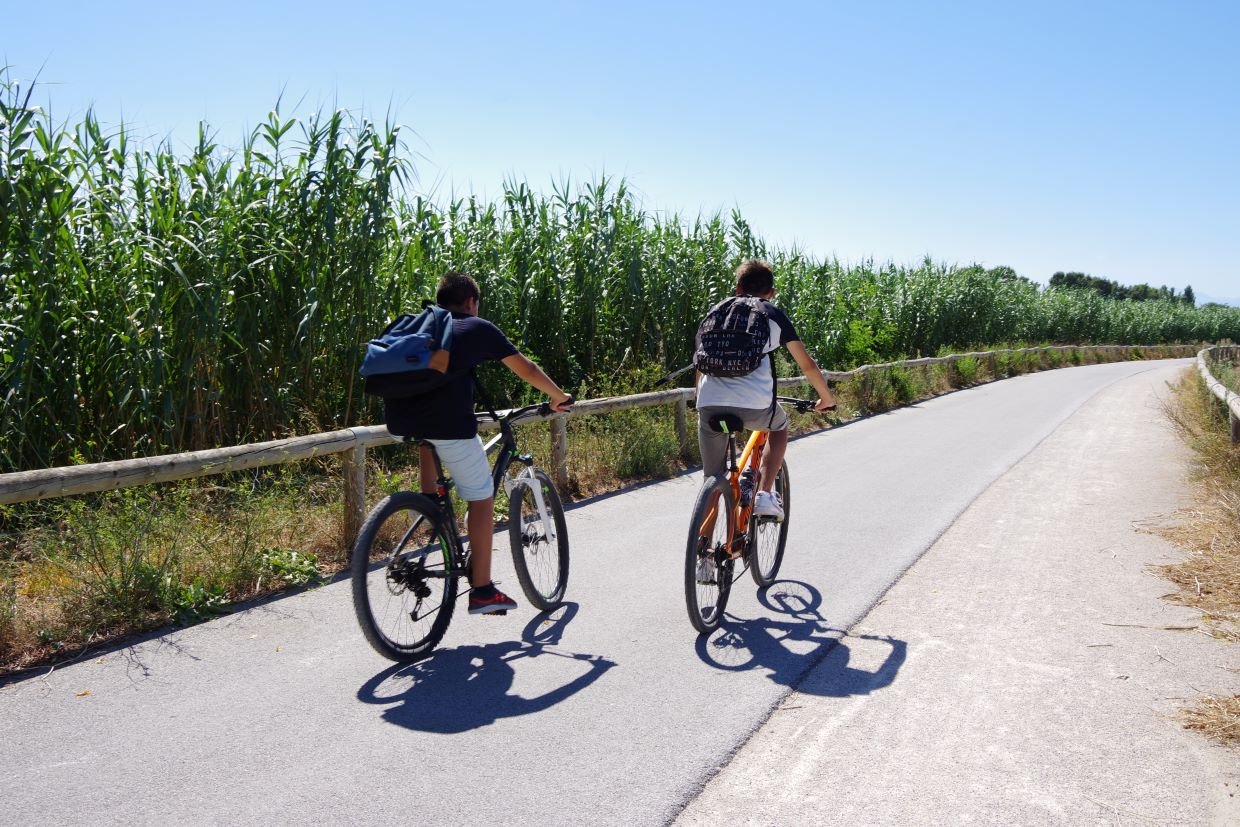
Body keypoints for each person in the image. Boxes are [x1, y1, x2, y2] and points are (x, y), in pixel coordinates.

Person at [385, 272, 573, 615]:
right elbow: (527, 369)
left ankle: (430, 511)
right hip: (448, 427)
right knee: (482, 497)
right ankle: (483, 590)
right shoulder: (475, 327)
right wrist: (558, 396)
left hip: (400, 423)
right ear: (471, 302)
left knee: (430, 445)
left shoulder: (420, 325)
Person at [695, 259, 835, 520]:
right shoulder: (771, 313)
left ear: (738, 287)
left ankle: (703, 543)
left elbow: (700, 363)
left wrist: (699, 398)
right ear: (771, 292)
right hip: (755, 405)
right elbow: (807, 366)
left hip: (709, 402)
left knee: (711, 479)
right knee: (779, 426)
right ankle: (765, 494)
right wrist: (826, 398)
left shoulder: (716, 312)